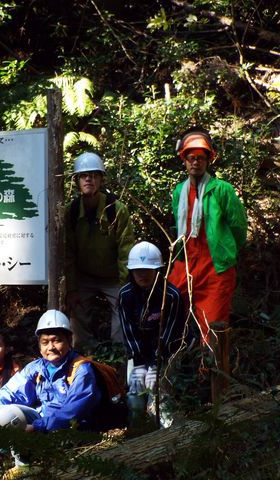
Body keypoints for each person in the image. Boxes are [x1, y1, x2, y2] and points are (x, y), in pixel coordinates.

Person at [168, 127, 247, 343]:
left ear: (208, 160)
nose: (196, 162)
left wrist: (227, 251)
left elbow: (239, 227)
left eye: (201, 158)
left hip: (216, 268)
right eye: (191, 157)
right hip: (185, 263)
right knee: (167, 310)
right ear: (184, 160)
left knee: (213, 327)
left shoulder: (222, 190)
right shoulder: (179, 192)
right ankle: (173, 365)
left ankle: (211, 373)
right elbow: (179, 227)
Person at [0, 309, 102, 433]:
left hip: (71, 426)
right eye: (45, 342)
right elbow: (11, 392)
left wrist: (37, 427)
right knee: (2, 414)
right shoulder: (36, 367)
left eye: (57, 341)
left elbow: (72, 411)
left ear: (69, 341)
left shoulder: (81, 370)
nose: (51, 347)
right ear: (39, 346)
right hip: (42, 419)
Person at [65, 152, 135, 351]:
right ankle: (83, 356)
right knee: (76, 311)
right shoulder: (71, 211)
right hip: (84, 276)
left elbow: (125, 250)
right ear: (77, 180)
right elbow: (68, 253)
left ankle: (119, 356)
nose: (89, 179)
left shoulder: (116, 210)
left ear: (101, 179)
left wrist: (125, 286)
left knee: (123, 310)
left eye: (94, 175)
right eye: (84, 176)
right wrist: (71, 288)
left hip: (113, 276)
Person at [119, 241, 188, 424]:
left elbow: (172, 333)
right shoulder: (125, 295)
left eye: (147, 269)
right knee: (135, 390)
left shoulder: (171, 296)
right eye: (137, 270)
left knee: (160, 393)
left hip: (166, 353)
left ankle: (166, 433)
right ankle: (136, 431)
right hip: (139, 353)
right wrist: (139, 363)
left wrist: (156, 364)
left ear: (157, 270)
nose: (142, 274)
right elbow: (129, 332)